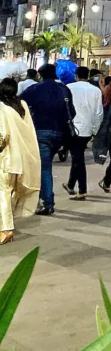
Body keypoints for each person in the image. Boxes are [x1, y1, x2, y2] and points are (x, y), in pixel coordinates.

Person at [22, 62, 74, 216]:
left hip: (40, 132)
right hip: (59, 134)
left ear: (41, 74)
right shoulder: (64, 89)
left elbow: (20, 105)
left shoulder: (35, 89)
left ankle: (47, 203)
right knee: (45, 166)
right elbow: (72, 112)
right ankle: (42, 198)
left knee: (43, 168)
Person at [0, 77, 41, 243]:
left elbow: (2, 135)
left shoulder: (2, 107)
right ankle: (6, 225)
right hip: (21, 158)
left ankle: (6, 229)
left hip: (6, 159)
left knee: (3, 193)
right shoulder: (21, 106)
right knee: (8, 193)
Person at [64, 66, 104, 200]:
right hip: (87, 129)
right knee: (77, 156)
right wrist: (95, 130)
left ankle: (82, 189)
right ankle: (70, 184)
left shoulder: (68, 87)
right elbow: (99, 113)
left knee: (78, 159)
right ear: (88, 76)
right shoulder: (96, 90)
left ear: (76, 75)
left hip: (72, 128)